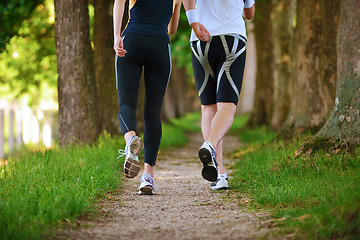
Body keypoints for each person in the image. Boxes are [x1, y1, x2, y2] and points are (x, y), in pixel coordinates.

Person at [113, 0, 208, 195]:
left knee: (126, 103)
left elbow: (119, 2)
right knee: (153, 111)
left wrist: (116, 36)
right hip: (159, 45)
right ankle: (148, 177)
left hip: (132, 40)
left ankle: (131, 139)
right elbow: (172, 29)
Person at [184, 0, 255, 190]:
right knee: (227, 106)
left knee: (208, 108)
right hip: (232, 38)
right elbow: (249, 13)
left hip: (200, 38)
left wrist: (193, 22)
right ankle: (210, 144)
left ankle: (220, 173)